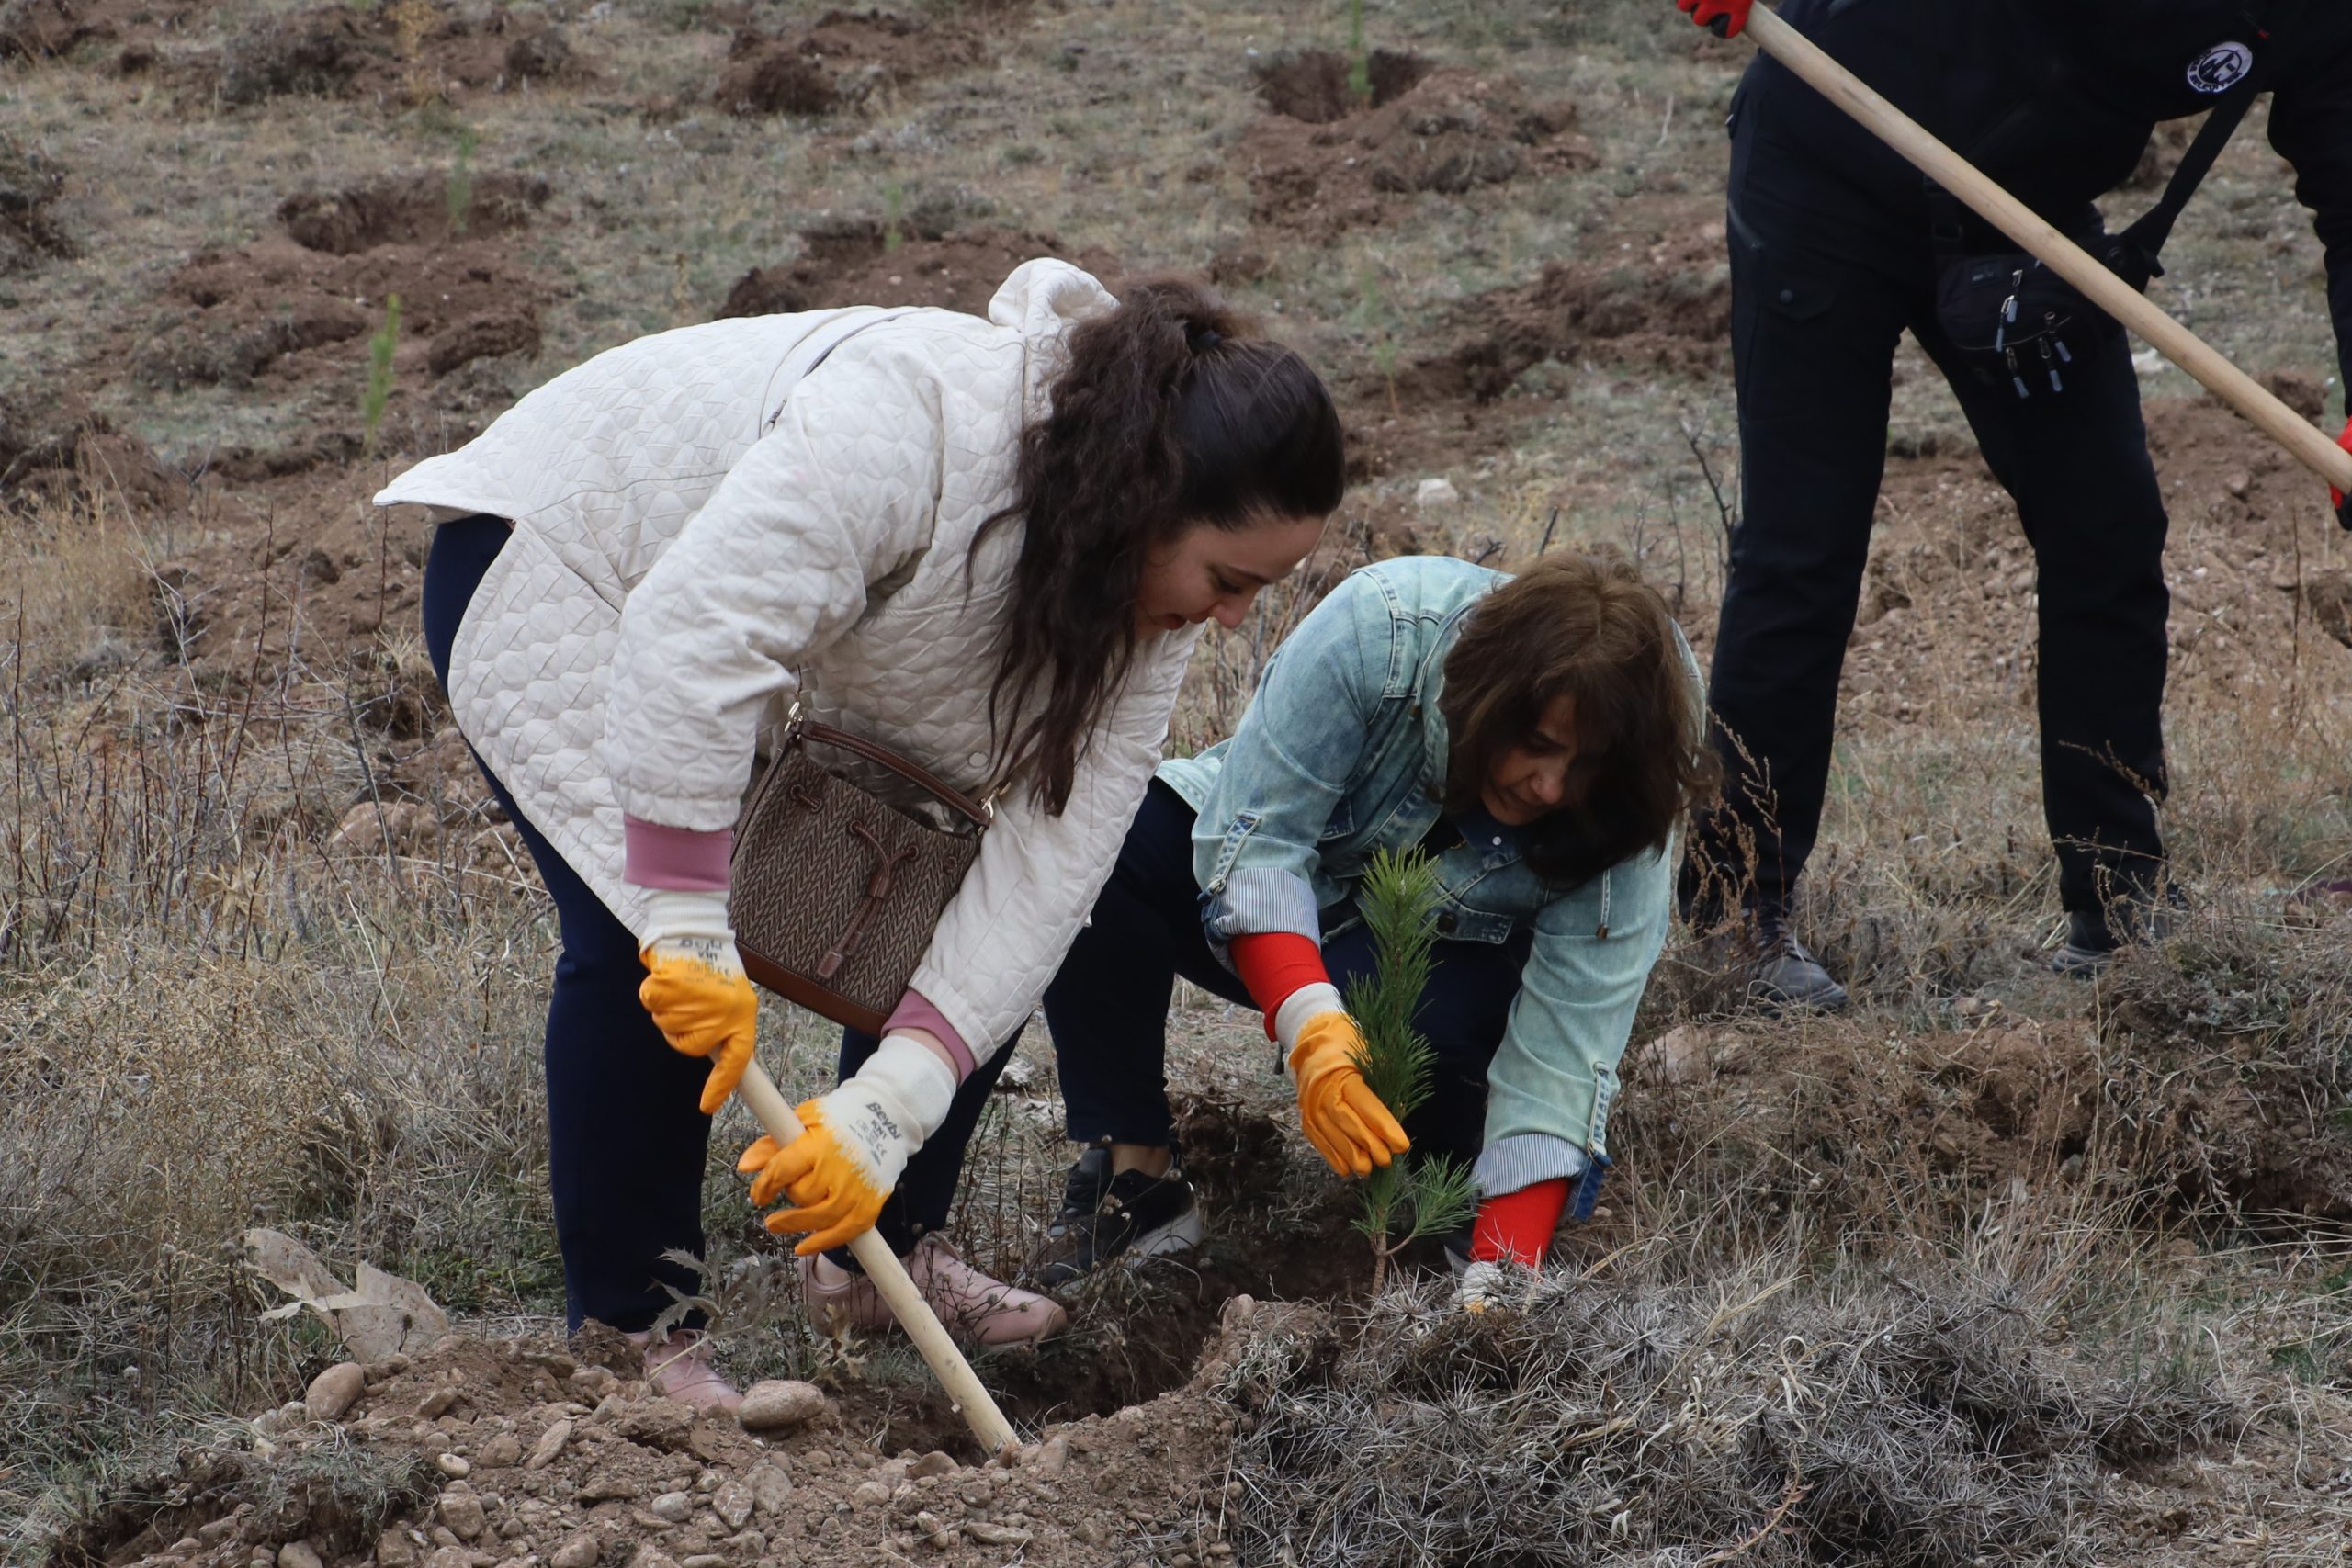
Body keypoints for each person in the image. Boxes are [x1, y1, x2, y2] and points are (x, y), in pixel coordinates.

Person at [390, 260, 1345, 1405]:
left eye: (1259, 591)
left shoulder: (1146, 592)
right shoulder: (914, 421)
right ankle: (635, 1334)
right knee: (635, 947)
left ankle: (877, 1256)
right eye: (1229, 579)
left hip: (741, 634)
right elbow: (698, 639)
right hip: (572, 565)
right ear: (1149, 496)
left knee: (970, 907)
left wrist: (891, 1107)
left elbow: (1052, 859)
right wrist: (688, 917)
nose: (1233, 618)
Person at [1669, 0, 2352, 1010]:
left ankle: (2116, 897)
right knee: (1801, 546)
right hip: (1830, 152)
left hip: (2026, 215)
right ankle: (1736, 913)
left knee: (2107, 531)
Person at [1018, 553, 1711, 1286]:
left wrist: (1504, 1270)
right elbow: (1260, 844)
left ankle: (1462, 1215)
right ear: (1485, 698)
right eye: (1536, 745)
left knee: (1447, 1062)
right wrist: (1311, 1027)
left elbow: (1569, 1041)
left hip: (1444, 983)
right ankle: (1137, 1179)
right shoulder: (1377, 631)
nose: (1549, 786)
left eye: (1583, 766)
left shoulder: (1638, 771)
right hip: (1279, 914)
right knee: (1105, 849)